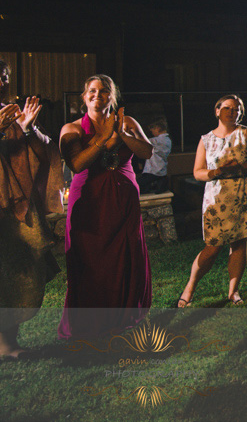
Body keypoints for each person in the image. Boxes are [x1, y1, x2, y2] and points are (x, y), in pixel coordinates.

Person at [58, 75, 153, 339]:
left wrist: (121, 133)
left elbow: (146, 152)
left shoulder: (129, 122)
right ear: (84, 96)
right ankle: (88, 323)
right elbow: (77, 164)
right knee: (90, 259)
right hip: (89, 200)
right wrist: (103, 137)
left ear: (113, 96)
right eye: (92, 91)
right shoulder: (72, 129)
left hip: (123, 199)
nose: (97, 95)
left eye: (103, 91)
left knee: (125, 256)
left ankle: (124, 317)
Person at [177, 95, 247, 307]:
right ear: (217, 111)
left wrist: (239, 167)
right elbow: (197, 172)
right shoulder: (206, 139)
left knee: (239, 243)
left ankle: (233, 291)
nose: (232, 112)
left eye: (236, 109)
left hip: (242, 193)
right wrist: (216, 171)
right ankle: (190, 287)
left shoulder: (246, 133)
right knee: (212, 246)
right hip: (216, 197)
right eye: (227, 108)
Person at [0, 60, 61, 357]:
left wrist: (27, 129)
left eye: (4, 77)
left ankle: (9, 341)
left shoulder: (12, 114)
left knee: (20, 270)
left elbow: (45, 152)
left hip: (17, 205)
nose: (1, 83)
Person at [138, 117, 171, 194]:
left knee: (138, 185)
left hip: (153, 170)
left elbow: (143, 141)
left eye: (153, 130)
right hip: (160, 169)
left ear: (158, 128)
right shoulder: (168, 140)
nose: (152, 132)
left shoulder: (157, 141)